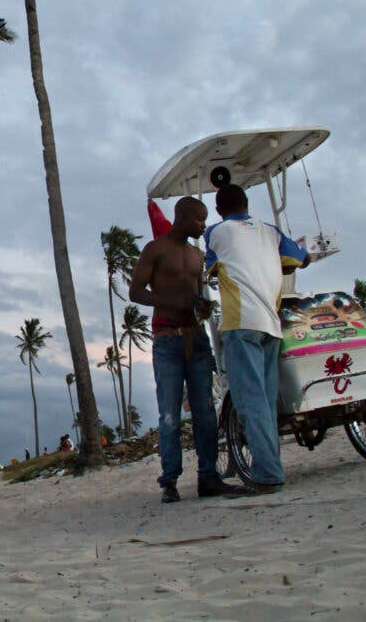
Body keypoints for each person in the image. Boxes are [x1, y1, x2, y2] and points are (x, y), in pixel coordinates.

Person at [130, 195, 248, 502]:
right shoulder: (155, 250)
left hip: (196, 339)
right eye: (199, 219)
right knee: (169, 414)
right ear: (182, 217)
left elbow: (195, 296)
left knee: (205, 412)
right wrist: (171, 302)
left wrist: (201, 306)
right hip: (167, 339)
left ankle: (208, 477)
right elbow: (135, 291)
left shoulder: (197, 256)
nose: (203, 225)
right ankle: (169, 480)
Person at [204, 185, 309, 494]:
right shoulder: (271, 231)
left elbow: (209, 267)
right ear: (247, 204)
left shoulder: (217, 232)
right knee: (265, 399)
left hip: (241, 322)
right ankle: (271, 465)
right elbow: (299, 258)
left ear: (219, 209)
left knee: (250, 402)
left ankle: (267, 473)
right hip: (271, 325)